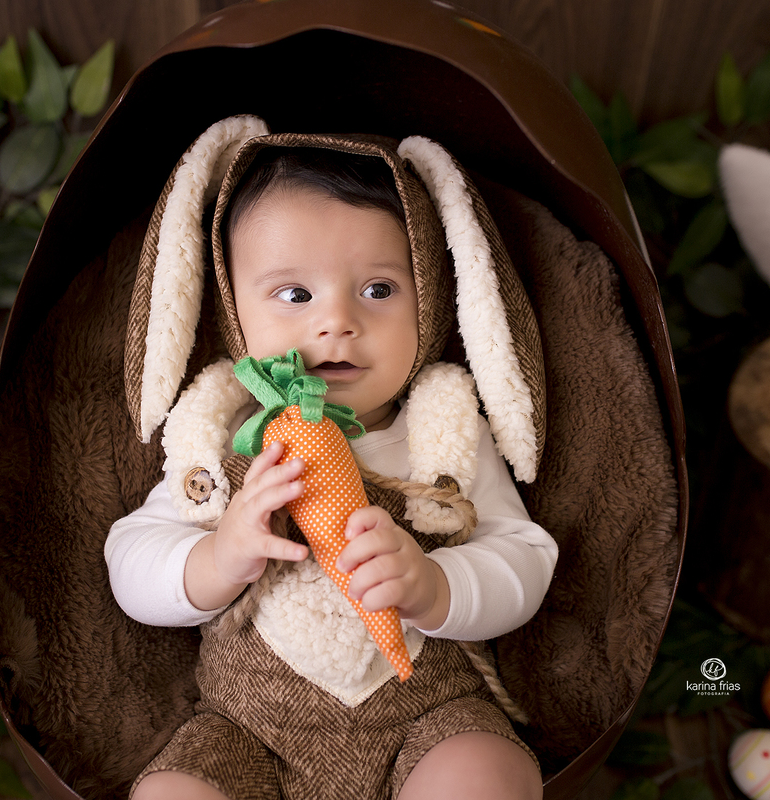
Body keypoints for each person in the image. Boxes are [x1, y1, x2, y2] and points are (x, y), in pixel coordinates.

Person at [106, 139, 558, 800]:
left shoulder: (443, 439)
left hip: (426, 720)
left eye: (379, 289)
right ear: (234, 312)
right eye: (294, 293)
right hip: (249, 730)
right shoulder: (224, 442)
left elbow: (526, 555)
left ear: (430, 299)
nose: (338, 322)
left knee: (485, 774)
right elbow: (129, 559)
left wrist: (436, 585)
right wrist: (216, 558)